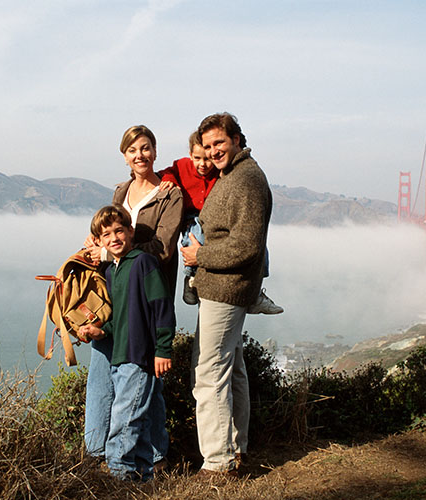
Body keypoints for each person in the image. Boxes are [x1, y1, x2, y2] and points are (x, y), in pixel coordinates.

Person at [82, 125, 183, 467]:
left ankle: (141, 459)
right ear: (124, 156)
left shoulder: (170, 194)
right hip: (117, 297)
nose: (139, 155)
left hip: (147, 297)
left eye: (145, 148)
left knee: (143, 382)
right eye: (132, 150)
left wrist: (111, 254)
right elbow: (108, 230)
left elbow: (163, 249)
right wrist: (94, 248)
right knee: (106, 380)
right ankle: (101, 453)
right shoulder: (121, 190)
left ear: (155, 151)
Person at [181, 112, 272, 476]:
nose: (213, 150)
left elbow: (248, 245)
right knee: (231, 370)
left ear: (236, 139)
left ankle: (218, 464)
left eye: (219, 142)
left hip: (227, 288)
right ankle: (236, 450)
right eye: (207, 146)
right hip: (221, 287)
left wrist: (199, 254)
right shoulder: (230, 176)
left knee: (208, 373)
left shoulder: (247, 179)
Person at [78, 205, 175, 481]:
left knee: (124, 419)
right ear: (98, 241)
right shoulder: (112, 272)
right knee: (139, 421)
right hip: (119, 357)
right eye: (106, 234)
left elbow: (162, 308)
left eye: (119, 231)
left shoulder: (144, 262)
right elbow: (118, 317)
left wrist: (163, 350)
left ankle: (118, 477)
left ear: (131, 231)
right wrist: (101, 331)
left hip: (140, 356)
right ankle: (143, 478)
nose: (114, 238)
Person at [159, 132, 283, 314]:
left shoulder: (220, 171)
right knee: (197, 237)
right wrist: (169, 181)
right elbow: (167, 172)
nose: (202, 164)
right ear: (190, 154)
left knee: (260, 248)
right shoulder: (182, 165)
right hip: (191, 217)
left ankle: (256, 292)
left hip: (211, 217)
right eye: (197, 158)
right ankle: (190, 279)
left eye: (207, 159)